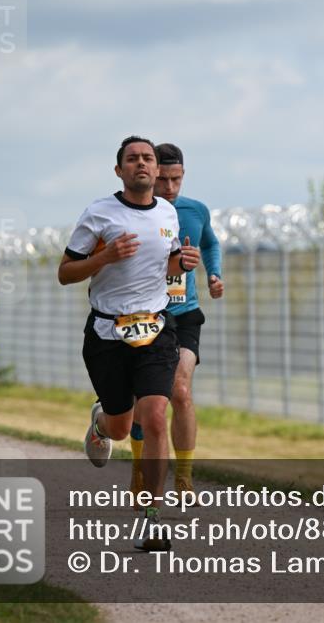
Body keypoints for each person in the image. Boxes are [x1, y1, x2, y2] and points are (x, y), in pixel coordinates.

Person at [58, 135, 201, 551]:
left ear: (157, 172)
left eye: (148, 158)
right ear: (119, 170)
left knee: (155, 415)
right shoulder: (99, 214)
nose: (141, 163)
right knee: (122, 425)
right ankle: (102, 421)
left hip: (157, 328)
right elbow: (65, 272)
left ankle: (153, 520)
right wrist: (104, 257)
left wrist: (183, 263)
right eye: (132, 158)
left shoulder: (169, 214)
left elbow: (166, 263)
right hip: (107, 332)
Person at [128, 142, 224, 502]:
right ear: (151, 174)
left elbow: (210, 243)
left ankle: (184, 477)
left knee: (180, 390)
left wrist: (214, 275)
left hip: (184, 315)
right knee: (144, 402)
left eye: (177, 180)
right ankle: (139, 468)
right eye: (163, 179)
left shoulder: (195, 210)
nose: (169, 188)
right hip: (144, 314)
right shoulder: (137, 211)